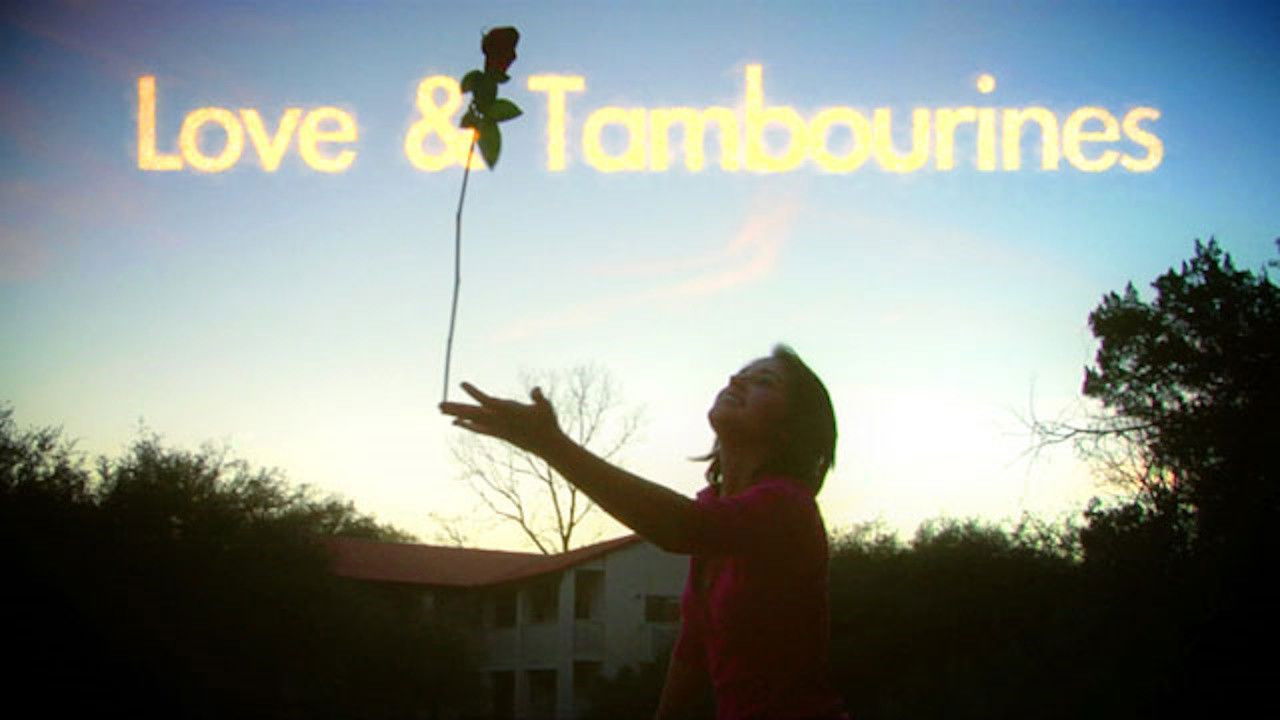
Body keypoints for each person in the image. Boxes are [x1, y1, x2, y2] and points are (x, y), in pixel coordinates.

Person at [440, 344, 849, 720]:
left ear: (793, 428)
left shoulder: (787, 507)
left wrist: (550, 445)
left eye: (765, 381)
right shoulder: (715, 510)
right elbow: (692, 649)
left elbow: (681, 527)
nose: (736, 380)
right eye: (741, 373)